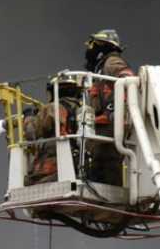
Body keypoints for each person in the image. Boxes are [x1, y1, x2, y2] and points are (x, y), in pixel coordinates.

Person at [84, 29, 134, 185]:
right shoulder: (100, 70)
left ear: (102, 45)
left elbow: (129, 81)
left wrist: (116, 108)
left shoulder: (111, 61)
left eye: (93, 45)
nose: (89, 49)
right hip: (103, 136)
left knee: (109, 176)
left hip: (109, 134)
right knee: (98, 173)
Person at [23, 76, 81, 185]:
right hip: (76, 164)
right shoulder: (82, 109)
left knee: (27, 182)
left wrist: (29, 117)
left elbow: (31, 133)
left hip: (52, 169)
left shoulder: (52, 108)